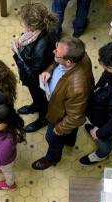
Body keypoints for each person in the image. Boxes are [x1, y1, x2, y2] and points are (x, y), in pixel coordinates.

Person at [31, 36, 94, 170]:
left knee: (52, 137)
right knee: (69, 133)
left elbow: (75, 117)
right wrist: (49, 70)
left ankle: (52, 157)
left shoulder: (77, 88)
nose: (54, 51)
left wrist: (59, 129)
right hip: (63, 103)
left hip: (61, 115)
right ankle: (69, 141)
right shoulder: (79, 54)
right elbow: (58, 62)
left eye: (57, 53)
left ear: (69, 62)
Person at [12, 2, 57, 133]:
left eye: (24, 21)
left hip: (37, 78)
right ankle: (35, 105)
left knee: (40, 96)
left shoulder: (40, 47)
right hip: (36, 73)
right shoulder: (40, 30)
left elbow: (32, 72)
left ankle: (43, 117)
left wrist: (17, 53)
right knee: (36, 95)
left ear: (32, 25)